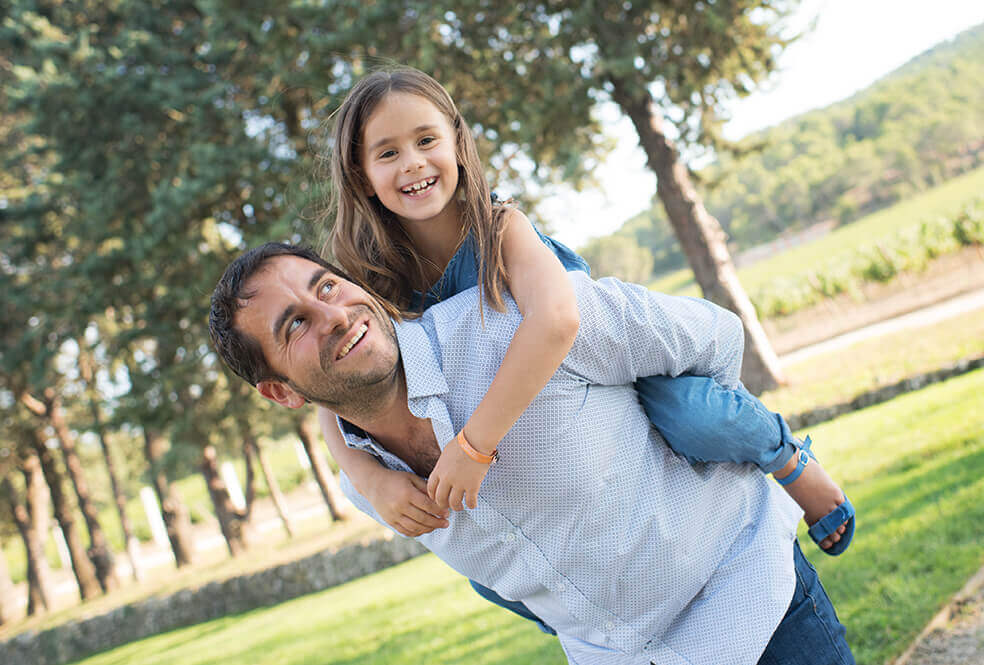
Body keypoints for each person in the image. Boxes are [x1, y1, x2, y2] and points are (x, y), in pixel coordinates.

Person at [208, 242, 856, 664]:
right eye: (294, 323)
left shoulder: (507, 322)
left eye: (326, 286)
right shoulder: (366, 479)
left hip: (759, 604)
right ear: (278, 391)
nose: (333, 314)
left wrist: (710, 426)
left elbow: (709, 337)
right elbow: (515, 580)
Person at [320, 68, 852, 544]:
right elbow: (326, 395)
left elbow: (558, 320)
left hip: (601, 368)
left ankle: (787, 459)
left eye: (426, 140)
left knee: (692, 417)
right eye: (387, 152)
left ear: (457, 143)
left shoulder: (502, 227)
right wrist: (371, 478)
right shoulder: (372, 280)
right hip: (534, 417)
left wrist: (475, 448)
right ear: (363, 175)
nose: (412, 163)